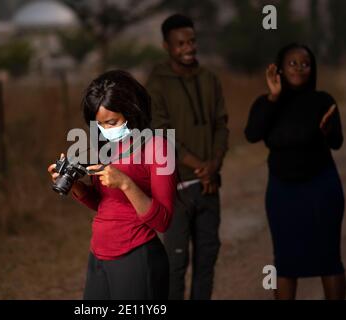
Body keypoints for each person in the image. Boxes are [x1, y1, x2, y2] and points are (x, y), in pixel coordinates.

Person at [48, 70, 177, 300]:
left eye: (112, 122)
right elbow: (104, 203)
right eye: (100, 125)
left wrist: (126, 184)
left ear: (131, 111)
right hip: (99, 253)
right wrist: (74, 185)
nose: (106, 131)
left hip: (137, 254)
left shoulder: (158, 148)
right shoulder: (105, 147)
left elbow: (163, 221)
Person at [245, 43, 345, 300]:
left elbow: (337, 142)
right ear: (279, 68)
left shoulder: (324, 100)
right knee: (286, 261)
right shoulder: (267, 101)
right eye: (293, 63)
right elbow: (252, 134)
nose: (300, 68)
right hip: (283, 191)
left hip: (322, 189)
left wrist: (327, 131)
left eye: (306, 63)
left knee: (329, 259)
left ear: (312, 69)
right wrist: (273, 97)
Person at [146, 14, 229, 300]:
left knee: (207, 259)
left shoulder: (210, 79)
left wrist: (213, 166)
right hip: (177, 187)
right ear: (167, 46)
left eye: (192, 41)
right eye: (180, 43)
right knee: (175, 264)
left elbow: (221, 125)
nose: (188, 47)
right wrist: (199, 167)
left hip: (209, 185)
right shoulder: (156, 84)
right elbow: (160, 133)